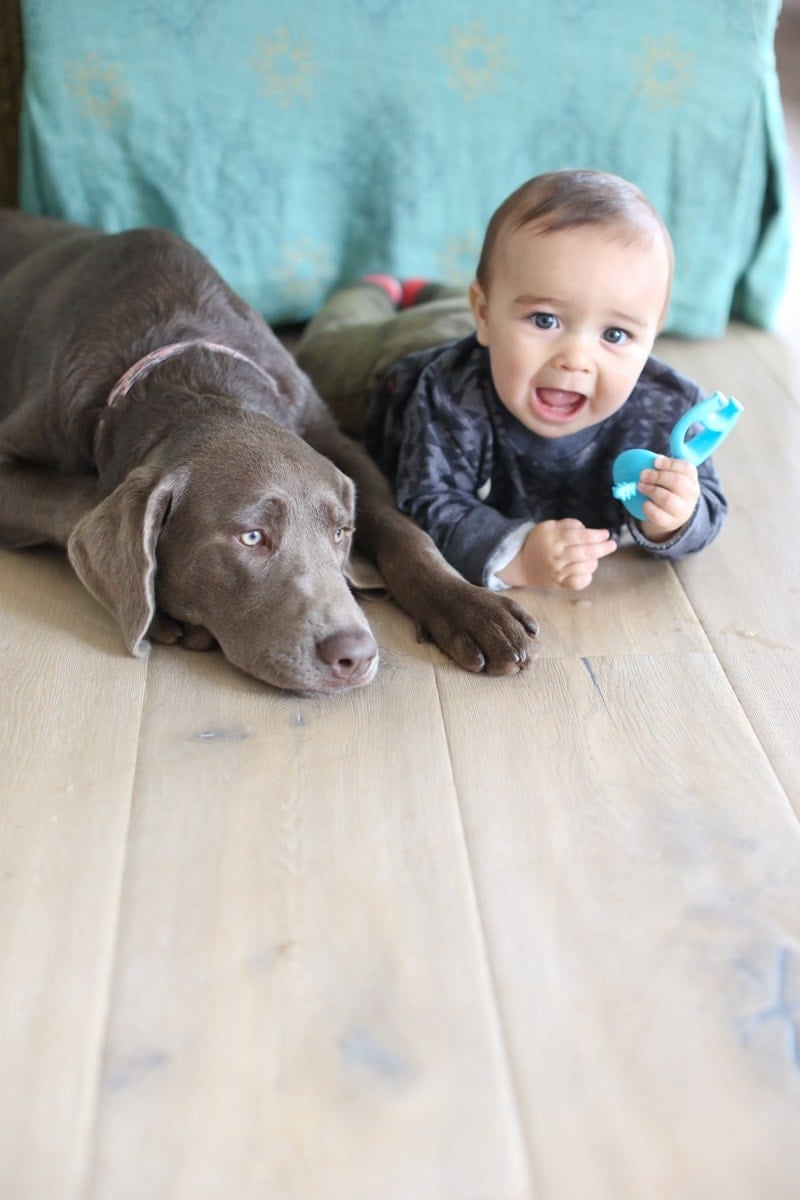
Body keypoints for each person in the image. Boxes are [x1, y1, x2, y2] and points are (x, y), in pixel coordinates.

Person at [295, 169, 727, 591]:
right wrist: (517, 555)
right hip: (388, 366)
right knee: (320, 360)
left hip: (483, 324)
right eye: (545, 319)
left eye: (615, 334)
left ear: (653, 333)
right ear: (482, 315)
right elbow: (426, 501)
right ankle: (377, 289)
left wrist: (675, 517)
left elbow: (708, 502)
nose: (575, 358)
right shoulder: (448, 395)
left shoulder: (666, 411)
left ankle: (436, 294)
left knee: (494, 295)